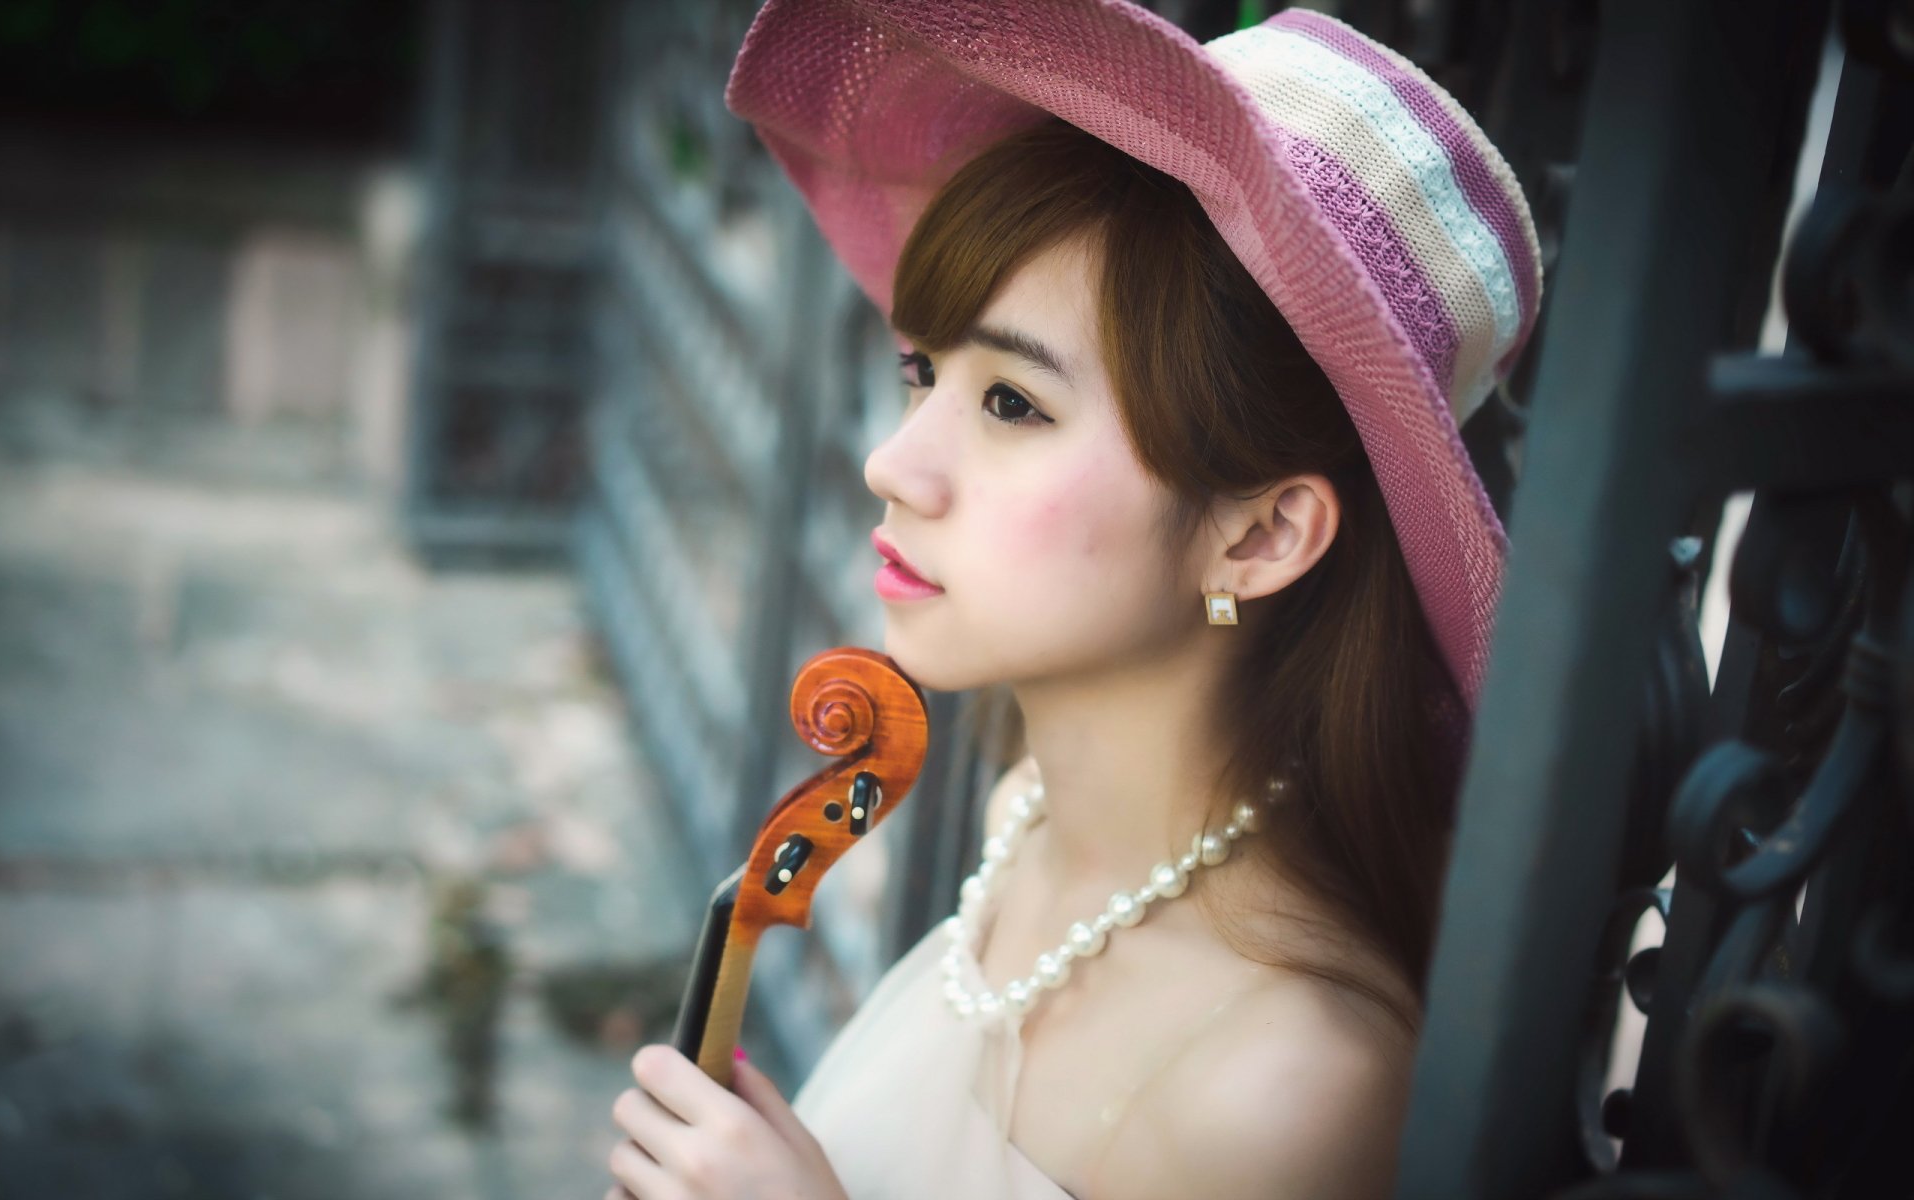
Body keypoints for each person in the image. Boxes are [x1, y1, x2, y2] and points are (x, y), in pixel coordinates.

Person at [606, 1, 1541, 1197]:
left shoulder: (1289, 1088)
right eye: (925, 373)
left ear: (1260, 535)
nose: (893, 465)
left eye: (1013, 406)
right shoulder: (1032, 815)